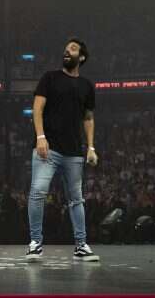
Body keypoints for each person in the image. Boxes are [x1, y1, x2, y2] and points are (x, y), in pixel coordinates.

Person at [26, 38, 99, 262]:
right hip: (48, 148)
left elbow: (88, 118)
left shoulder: (87, 85)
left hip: (75, 152)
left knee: (76, 199)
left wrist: (91, 147)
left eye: (73, 49)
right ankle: (35, 243)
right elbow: (37, 108)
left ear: (82, 57)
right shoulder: (50, 78)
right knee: (38, 192)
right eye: (66, 48)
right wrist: (40, 137)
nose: (67, 51)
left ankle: (80, 246)